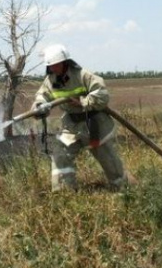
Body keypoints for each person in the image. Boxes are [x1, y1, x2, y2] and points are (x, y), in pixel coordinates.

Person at [31, 44, 129, 191]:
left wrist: (82, 101)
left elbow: (102, 95)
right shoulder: (50, 80)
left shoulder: (83, 75)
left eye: (55, 65)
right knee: (60, 155)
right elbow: (42, 95)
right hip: (71, 125)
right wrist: (39, 106)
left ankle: (123, 189)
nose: (53, 69)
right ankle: (64, 192)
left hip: (94, 124)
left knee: (107, 159)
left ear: (65, 62)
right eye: (50, 66)